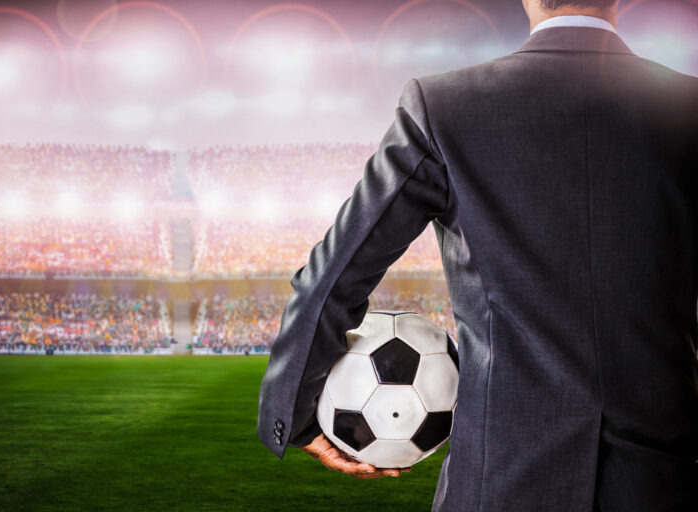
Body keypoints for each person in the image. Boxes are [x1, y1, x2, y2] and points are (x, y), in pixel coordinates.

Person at [256, 0, 698, 510]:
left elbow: (333, 275)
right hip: (662, 480)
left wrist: (293, 413)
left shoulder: (443, 106)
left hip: (498, 482)